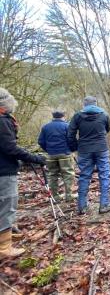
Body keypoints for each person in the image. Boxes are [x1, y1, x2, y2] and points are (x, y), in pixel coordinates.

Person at [0, 88, 46, 259]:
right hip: (4, 171)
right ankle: (4, 247)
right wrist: (33, 157)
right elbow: (10, 147)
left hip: (4, 168)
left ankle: (6, 235)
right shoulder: (3, 121)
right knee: (7, 204)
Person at [67, 96, 110, 215]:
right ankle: (104, 205)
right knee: (104, 175)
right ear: (95, 103)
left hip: (84, 150)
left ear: (84, 104)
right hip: (101, 148)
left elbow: (70, 134)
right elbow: (107, 129)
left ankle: (82, 207)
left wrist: (74, 147)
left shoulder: (77, 116)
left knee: (84, 176)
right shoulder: (104, 115)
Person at [38, 110, 75, 202]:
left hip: (51, 155)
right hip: (65, 153)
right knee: (68, 174)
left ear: (53, 117)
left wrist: (48, 150)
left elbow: (41, 142)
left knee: (52, 175)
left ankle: (55, 197)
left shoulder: (45, 127)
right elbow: (72, 140)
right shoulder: (67, 126)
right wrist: (72, 149)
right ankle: (69, 195)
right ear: (63, 116)